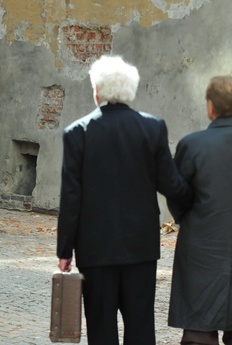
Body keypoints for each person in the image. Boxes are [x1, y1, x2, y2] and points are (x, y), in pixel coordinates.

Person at [56, 55, 192, 345]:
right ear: (130, 90)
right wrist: (196, 199)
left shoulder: (77, 132)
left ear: (97, 91)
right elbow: (171, 184)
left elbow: (71, 196)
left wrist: (64, 249)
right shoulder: (153, 128)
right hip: (140, 246)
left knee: (101, 326)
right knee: (141, 325)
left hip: (95, 248)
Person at [167, 76, 232, 345]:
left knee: (199, 329)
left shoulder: (193, 145)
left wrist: (187, 219)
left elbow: (177, 193)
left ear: (210, 107)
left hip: (202, 244)